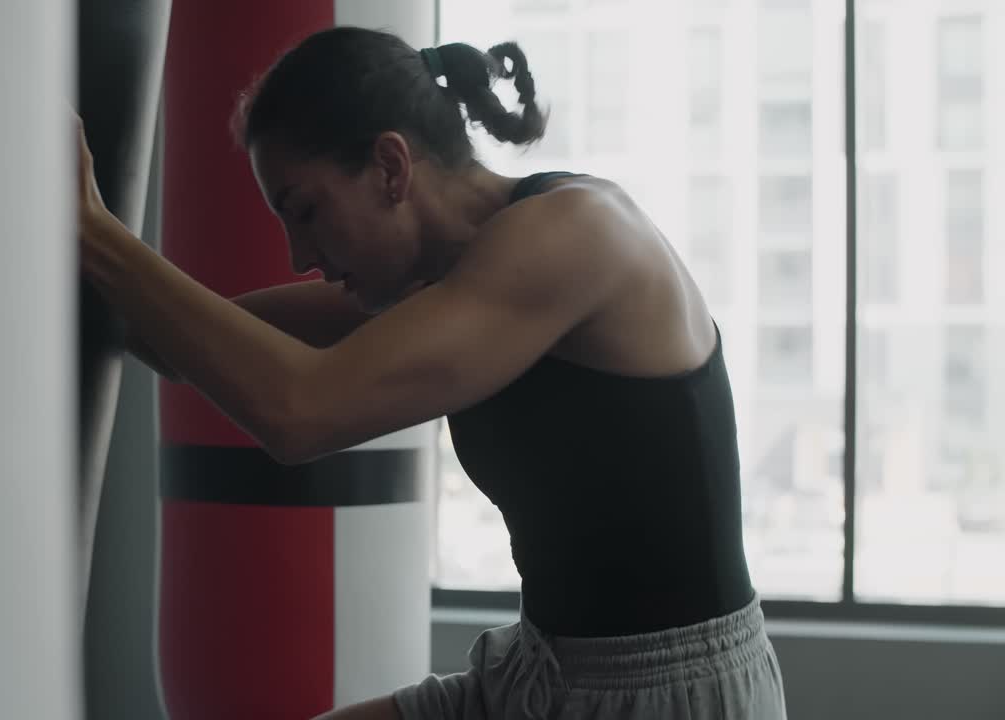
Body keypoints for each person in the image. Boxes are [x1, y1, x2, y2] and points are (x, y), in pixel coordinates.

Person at [75, 26, 787, 720]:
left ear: (391, 167)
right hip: (542, 673)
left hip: (666, 696)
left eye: (307, 211)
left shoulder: (571, 236)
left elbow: (301, 413)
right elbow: (187, 342)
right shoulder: (448, 283)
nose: (298, 255)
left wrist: (95, 228)